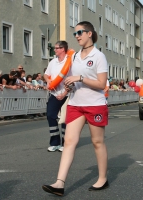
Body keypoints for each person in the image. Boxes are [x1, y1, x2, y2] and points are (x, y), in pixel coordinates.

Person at [42, 21, 109, 196]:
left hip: (95, 104)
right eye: (75, 33)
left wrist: (80, 78)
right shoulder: (75, 57)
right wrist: (68, 88)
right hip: (75, 104)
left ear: (90, 33)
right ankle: (59, 183)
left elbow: (101, 84)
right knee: (70, 142)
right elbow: (73, 81)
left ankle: (102, 178)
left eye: (80, 32)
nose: (77, 36)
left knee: (97, 142)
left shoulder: (98, 56)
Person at [44, 41, 70, 152]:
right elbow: (46, 74)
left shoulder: (69, 62)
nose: (54, 50)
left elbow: (72, 81)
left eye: (56, 48)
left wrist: (64, 93)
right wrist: (48, 81)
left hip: (67, 94)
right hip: (54, 93)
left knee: (65, 119)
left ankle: (65, 143)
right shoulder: (53, 62)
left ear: (63, 49)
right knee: (50, 115)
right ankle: (54, 142)